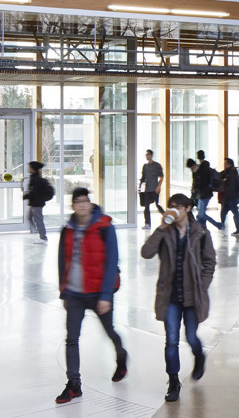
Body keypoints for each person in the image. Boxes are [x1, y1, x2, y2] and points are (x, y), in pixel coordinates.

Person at [141, 192, 217, 402]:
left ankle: (199, 356)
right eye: (171, 206)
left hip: (192, 296)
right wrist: (160, 228)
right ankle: (173, 381)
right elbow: (146, 252)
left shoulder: (201, 232)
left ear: (188, 209)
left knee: (191, 337)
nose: (173, 210)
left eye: (178, 207)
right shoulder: (165, 232)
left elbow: (209, 262)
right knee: (171, 340)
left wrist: (202, 285)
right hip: (170, 297)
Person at [56, 187, 127, 403]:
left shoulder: (105, 226)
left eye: (84, 201)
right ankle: (74, 384)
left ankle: (121, 357)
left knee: (109, 331)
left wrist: (105, 295)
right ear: (73, 205)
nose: (81, 205)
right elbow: (62, 261)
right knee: (71, 338)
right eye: (77, 202)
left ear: (90, 203)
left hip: (98, 293)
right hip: (74, 294)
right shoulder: (67, 229)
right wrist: (64, 292)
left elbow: (112, 260)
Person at [192, 151, 222, 229]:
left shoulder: (201, 168)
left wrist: (195, 187)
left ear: (198, 157)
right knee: (201, 213)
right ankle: (202, 227)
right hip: (207, 193)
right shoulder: (206, 167)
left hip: (203, 194)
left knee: (201, 214)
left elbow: (201, 182)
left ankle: (217, 225)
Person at [24, 159, 50, 242]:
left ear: (33, 169)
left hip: (37, 203)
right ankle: (38, 231)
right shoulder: (34, 177)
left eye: (30, 167)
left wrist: (26, 196)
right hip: (35, 203)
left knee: (38, 220)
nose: (28, 168)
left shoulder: (36, 179)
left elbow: (34, 192)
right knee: (29, 217)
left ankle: (43, 237)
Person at [138, 148, 164, 229]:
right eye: (146, 155)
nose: (147, 156)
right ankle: (147, 223)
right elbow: (143, 177)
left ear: (151, 155)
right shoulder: (145, 166)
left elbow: (162, 176)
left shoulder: (157, 165)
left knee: (157, 204)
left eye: (148, 154)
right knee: (146, 206)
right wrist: (140, 186)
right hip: (147, 189)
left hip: (154, 188)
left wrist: (159, 186)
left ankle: (166, 217)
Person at [218, 157, 239, 234]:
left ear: (229, 164)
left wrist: (224, 181)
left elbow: (230, 186)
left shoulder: (232, 173)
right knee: (224, 213)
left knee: (234, 213)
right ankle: (223, 225)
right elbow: (219, 175)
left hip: (232, 197)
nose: (224, 165)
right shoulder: (228, 172)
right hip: (228, 197)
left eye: (225, 164)